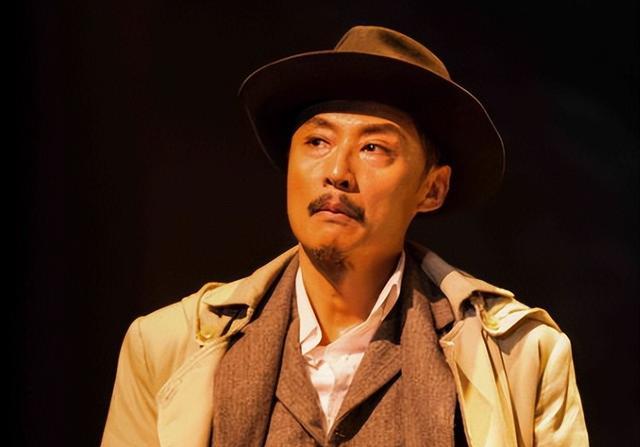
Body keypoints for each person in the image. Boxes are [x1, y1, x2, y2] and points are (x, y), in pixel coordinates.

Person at [101, 26, 588, 446]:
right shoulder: (168, 347)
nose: (337, 171)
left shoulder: (521, 355)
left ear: (432, 189)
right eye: (317, 141)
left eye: (374, 147)